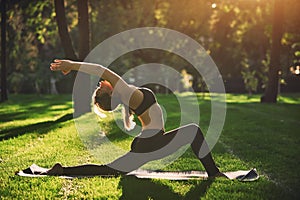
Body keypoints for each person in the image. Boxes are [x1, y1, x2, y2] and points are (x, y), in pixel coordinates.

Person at [46, 59, 226, 178]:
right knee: (193, 130)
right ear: (110, 92)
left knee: (110, 170)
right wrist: (71, 64)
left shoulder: (127, 96)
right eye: (100, 88)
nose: (100, 83)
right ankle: (213, 172)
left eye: (99, 85)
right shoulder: (125, 92)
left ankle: (62, 170)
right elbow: (101, 69)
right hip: (153, 142)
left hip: (149, 142)